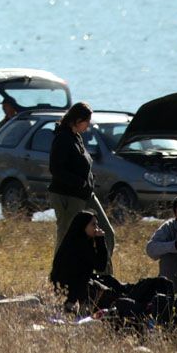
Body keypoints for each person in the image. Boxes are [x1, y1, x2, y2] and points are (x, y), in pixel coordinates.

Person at [48, 102, 115, 270]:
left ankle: (104, 276)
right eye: (87, 121)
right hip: (67, 196)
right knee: (66, 237)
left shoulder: (76, 136)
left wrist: (89, 180)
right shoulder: (62, 138)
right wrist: (79, 182)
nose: (88, 125)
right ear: (77, 120)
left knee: (106, 232)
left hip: (86, 194)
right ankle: (59, 277)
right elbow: (56, 169)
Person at [50, 210, 111, 312]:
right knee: (108, 294)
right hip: (71, 293)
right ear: (83, 226)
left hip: (74, 287)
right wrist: (100, 240)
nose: (96, 228)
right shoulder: (80, 245)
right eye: (93, 225)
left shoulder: (76, 240)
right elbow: (101, 265)